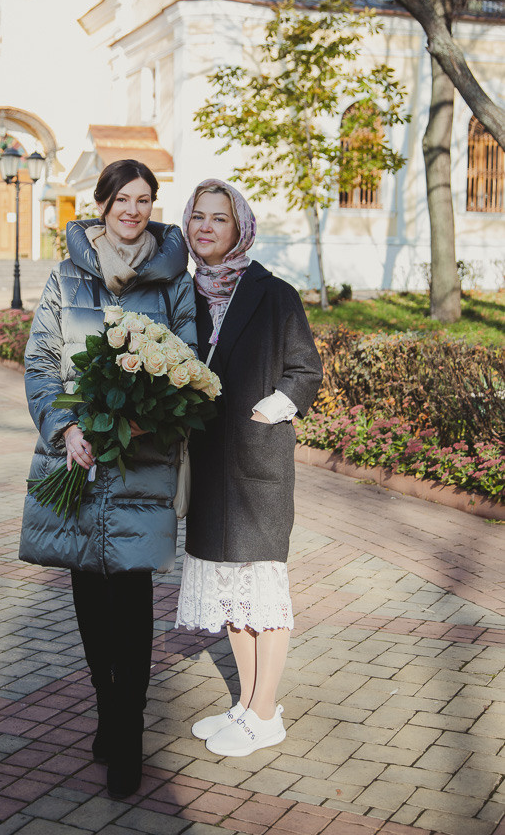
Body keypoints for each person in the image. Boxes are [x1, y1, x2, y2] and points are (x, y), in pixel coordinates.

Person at [20, 159, 196, 798]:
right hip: (75, 458)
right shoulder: (66, 276)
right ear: (101, 204)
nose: (132, 209)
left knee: (134, 598)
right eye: (122, 198)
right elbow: (41, 361)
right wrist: (68, 430)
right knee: (89, 599)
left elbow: (187, 364)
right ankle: (106, 702)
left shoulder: (173, 279)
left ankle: (129, 732)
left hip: (139, 462)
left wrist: (137, 424)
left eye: (143, 199)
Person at [175, 179, 322, 757]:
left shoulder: (272, 293)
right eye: (198, 218)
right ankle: (245, 704)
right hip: (209, 466)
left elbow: (304, 369)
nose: (206, 227)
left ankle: (267, 713)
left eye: (220, 218)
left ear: (240, 229)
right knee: (228, 591)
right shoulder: (184, 295)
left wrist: (275, 405)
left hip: (257, 463)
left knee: (260, 589)